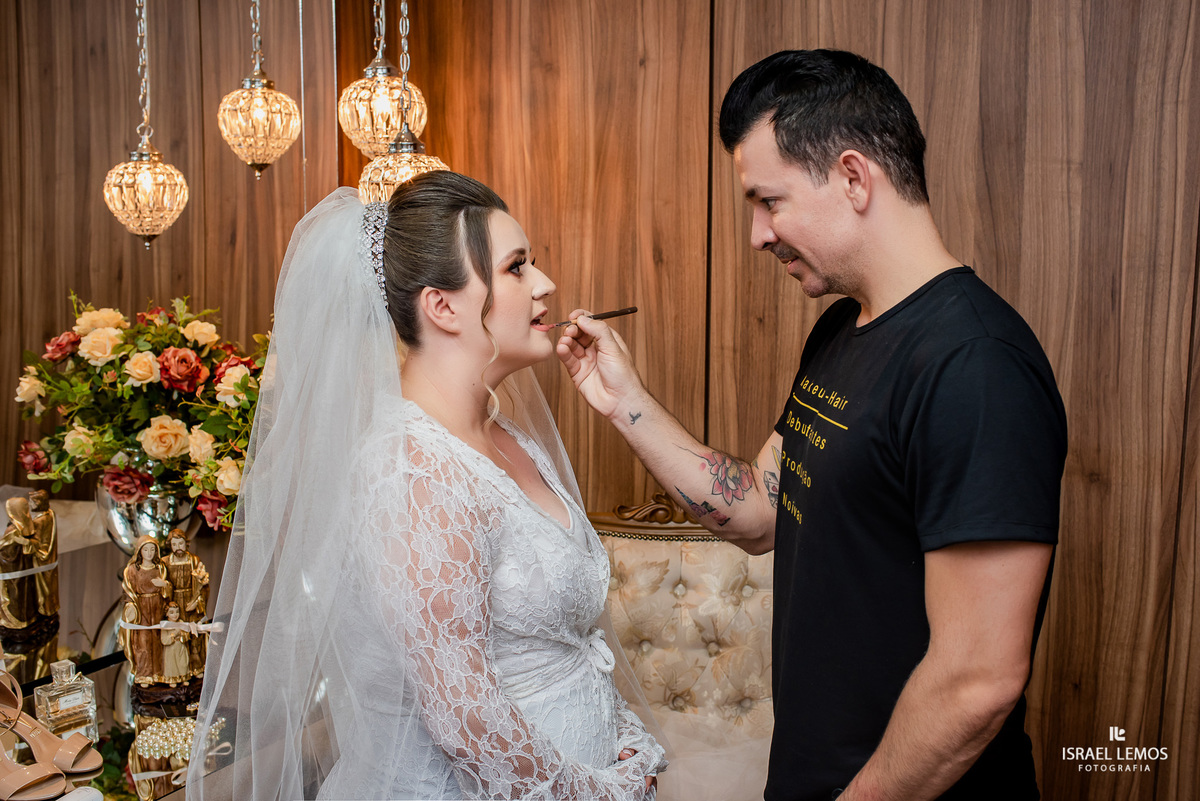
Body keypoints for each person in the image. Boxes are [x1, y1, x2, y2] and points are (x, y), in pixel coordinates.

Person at [557, 49, 1067, 801]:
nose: (758, 235)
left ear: (855, 178)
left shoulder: (975, 367)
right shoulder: (840, 331)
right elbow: (760, 505)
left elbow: (977, 681)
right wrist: (622, 400)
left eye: (770, 201)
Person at [188, 172, 667, 800]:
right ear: (443, 306)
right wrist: (604, 794)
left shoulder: (509, 440)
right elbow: (465, 717)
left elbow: (572, 647)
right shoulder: (413, 470)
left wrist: (625, 746)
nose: (545, 284)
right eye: (517, 267)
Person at [120, 535, 172, 686]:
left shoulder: (160, 568)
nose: (149, 553)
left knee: (158, 641)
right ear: (139, 551)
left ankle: (158, 673)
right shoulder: (131, 570)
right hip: (141, 608)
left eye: (152, 549)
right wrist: (130, 606)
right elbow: (128, 593)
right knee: (142, 642)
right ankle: (144, 674)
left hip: (157, 607)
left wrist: (164, 585)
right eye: (146, 549)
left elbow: (168, 592)